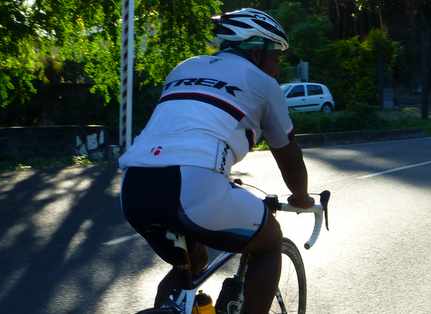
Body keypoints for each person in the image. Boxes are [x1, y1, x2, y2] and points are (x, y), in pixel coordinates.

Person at [117, 8, 313, 314]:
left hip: (134, 187)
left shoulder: (184, 68)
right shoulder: (264, 85)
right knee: (270, 241)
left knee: (189, 267)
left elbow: (187, 128)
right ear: (257, 51)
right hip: (193, 184)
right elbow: (288, 154)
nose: (277, 66)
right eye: (276, 55)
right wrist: (301, 197)